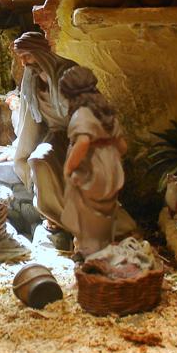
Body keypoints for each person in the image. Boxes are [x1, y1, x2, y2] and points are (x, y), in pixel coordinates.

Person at [57, 66, 135, 257]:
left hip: (92, 170)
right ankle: (103, 248)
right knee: (105, 213)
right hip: (111, 169)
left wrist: (69, 167)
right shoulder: (106, 112)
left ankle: (90, 253)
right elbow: (122, 146)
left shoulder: (82, 114)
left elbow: (83, 142)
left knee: (88, 214)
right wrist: (111, 158)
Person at [9, 31, 78, 228]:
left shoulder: (70, 72)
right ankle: (56, 217)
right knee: (37, 161)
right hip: (57, 136)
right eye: (21, 57)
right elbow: (30, 119)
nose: (24, 63)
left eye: (27, 56)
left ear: (41, 53)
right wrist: (21, 149)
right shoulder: (32, 80)